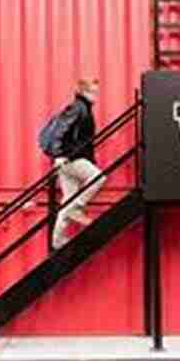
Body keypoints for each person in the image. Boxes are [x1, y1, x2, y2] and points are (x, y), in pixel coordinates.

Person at [43, 78, 106, 250]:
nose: (96, 95)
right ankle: (77, 208)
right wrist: (58, 154)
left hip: (66, 160)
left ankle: (57, 240)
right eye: (92, 91)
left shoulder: (82, 108)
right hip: (70, 158)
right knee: (98, 177)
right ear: (82, 92)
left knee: (68, 199)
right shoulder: (78, 108)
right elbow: (61, 130)